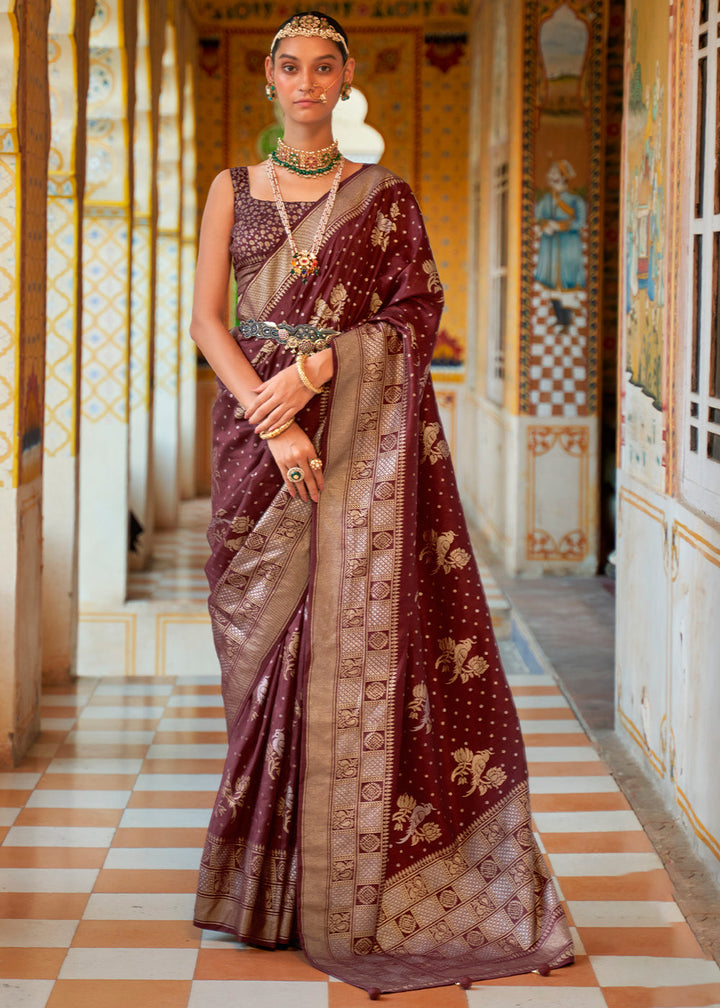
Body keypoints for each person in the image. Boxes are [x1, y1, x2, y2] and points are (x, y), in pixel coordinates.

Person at [190, 11, 573, 996]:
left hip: (353, 435)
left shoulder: (385, 198)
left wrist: (321, 370)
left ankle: (329, 886)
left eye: (324, 67)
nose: (307, 82)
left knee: (337, 642)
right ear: (269, 79)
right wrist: (270, 419)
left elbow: (416, 314)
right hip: (253, 434)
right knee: (260, 643)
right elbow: (206, 320)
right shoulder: (231, 189)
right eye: (291, 66)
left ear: (346, 79)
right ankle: (261, 887)